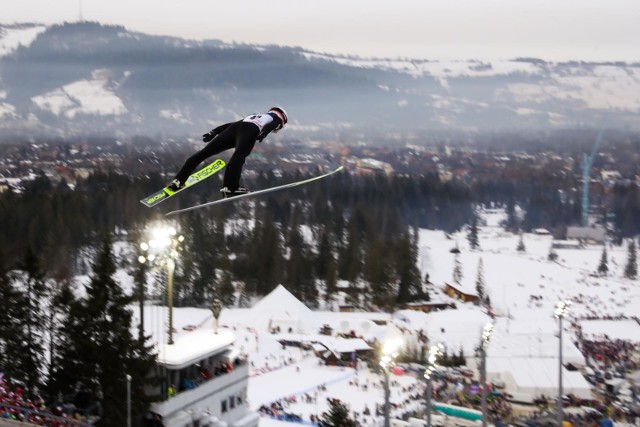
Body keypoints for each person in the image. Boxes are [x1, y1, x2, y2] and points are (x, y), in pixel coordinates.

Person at [167, 106, 288, 197]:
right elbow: (274, 124)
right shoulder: (276, 119)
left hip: (235, 129)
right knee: (238, 158)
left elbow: (231, 125)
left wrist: (213, 132)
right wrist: (263, 133)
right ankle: (230, 187)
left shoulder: (254, 116)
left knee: (203, 153)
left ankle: (177, 181)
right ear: (282, 119)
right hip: (249, 131)